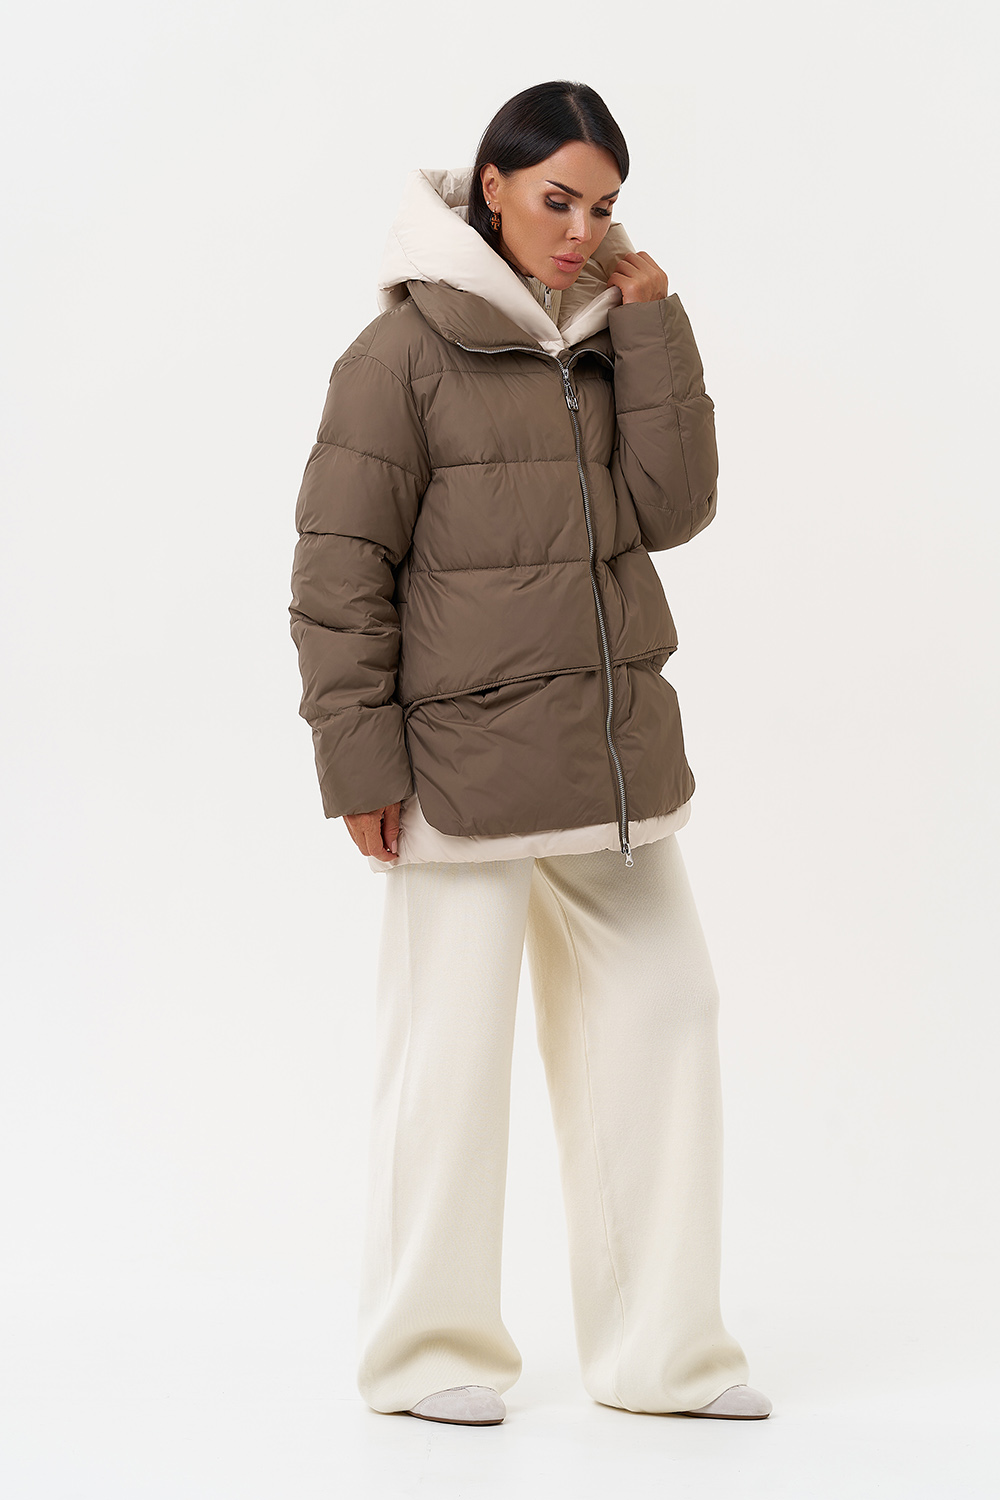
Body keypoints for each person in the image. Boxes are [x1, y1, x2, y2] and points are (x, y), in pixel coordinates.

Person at [288, 79, 772, 1426]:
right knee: (448, 1062)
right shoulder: (398, 356)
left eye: (604, 206)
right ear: (490, 187)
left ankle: (661, 1357)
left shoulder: (609, 337)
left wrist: (654, 324)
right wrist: (359, 761)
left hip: (608, 760)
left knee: (667, 1015)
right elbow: (338, 569)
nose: (581, 230)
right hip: (455, 768)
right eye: (558, 199)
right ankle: (425, 1355)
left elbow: (672, 509)